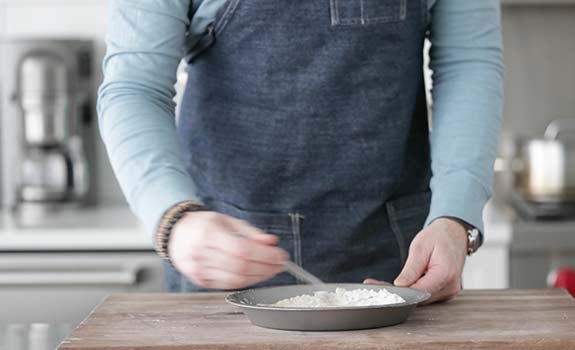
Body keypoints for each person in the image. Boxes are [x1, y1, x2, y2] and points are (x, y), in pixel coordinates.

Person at [98, 0, 503, 303]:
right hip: (225, 258)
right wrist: (174, 220)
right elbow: (134, 87)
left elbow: (469, 62)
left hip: (400, 262)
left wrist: (455, 218)